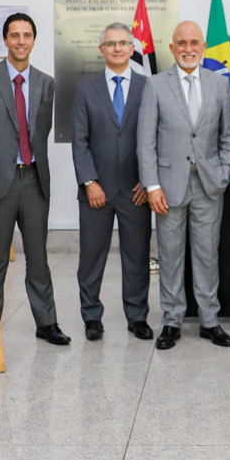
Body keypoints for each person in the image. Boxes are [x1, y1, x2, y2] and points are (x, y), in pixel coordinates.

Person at [137, 21, 230, 350]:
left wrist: (223, 173)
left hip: (209, 185)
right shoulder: (155, 84)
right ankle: (171, 320)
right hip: (168, 186)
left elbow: (227, 136)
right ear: (172, 48)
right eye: (182, 43)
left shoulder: (219, 85)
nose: (188, 48)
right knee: (170, 254)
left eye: (194, 42)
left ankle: (210, 320)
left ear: (204, 46)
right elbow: (145, 141)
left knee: (208, 254)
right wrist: (152, 185)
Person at [0, 14, 69, 355]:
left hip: (34, 179)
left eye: (27, 35)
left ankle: (46, 323)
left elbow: (38, 132)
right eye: (14, 35)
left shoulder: (46, 83)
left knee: (38, 258)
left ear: (33, 40)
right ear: (5, 40)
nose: (21, 41)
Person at [72, 22, 152, 342]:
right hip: (97, 190)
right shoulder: (85, 89)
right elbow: (80, 141)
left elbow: (154, 138)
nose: (117, 48)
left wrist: (149, 181)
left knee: (137, 257)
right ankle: (91, 317)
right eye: (110, 43)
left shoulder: (149, 87)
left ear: (133, 49)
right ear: (101, 50)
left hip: (136, 190)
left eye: (123, 43)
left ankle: (137, 316)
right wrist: (89, 181)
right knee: (91, 257)